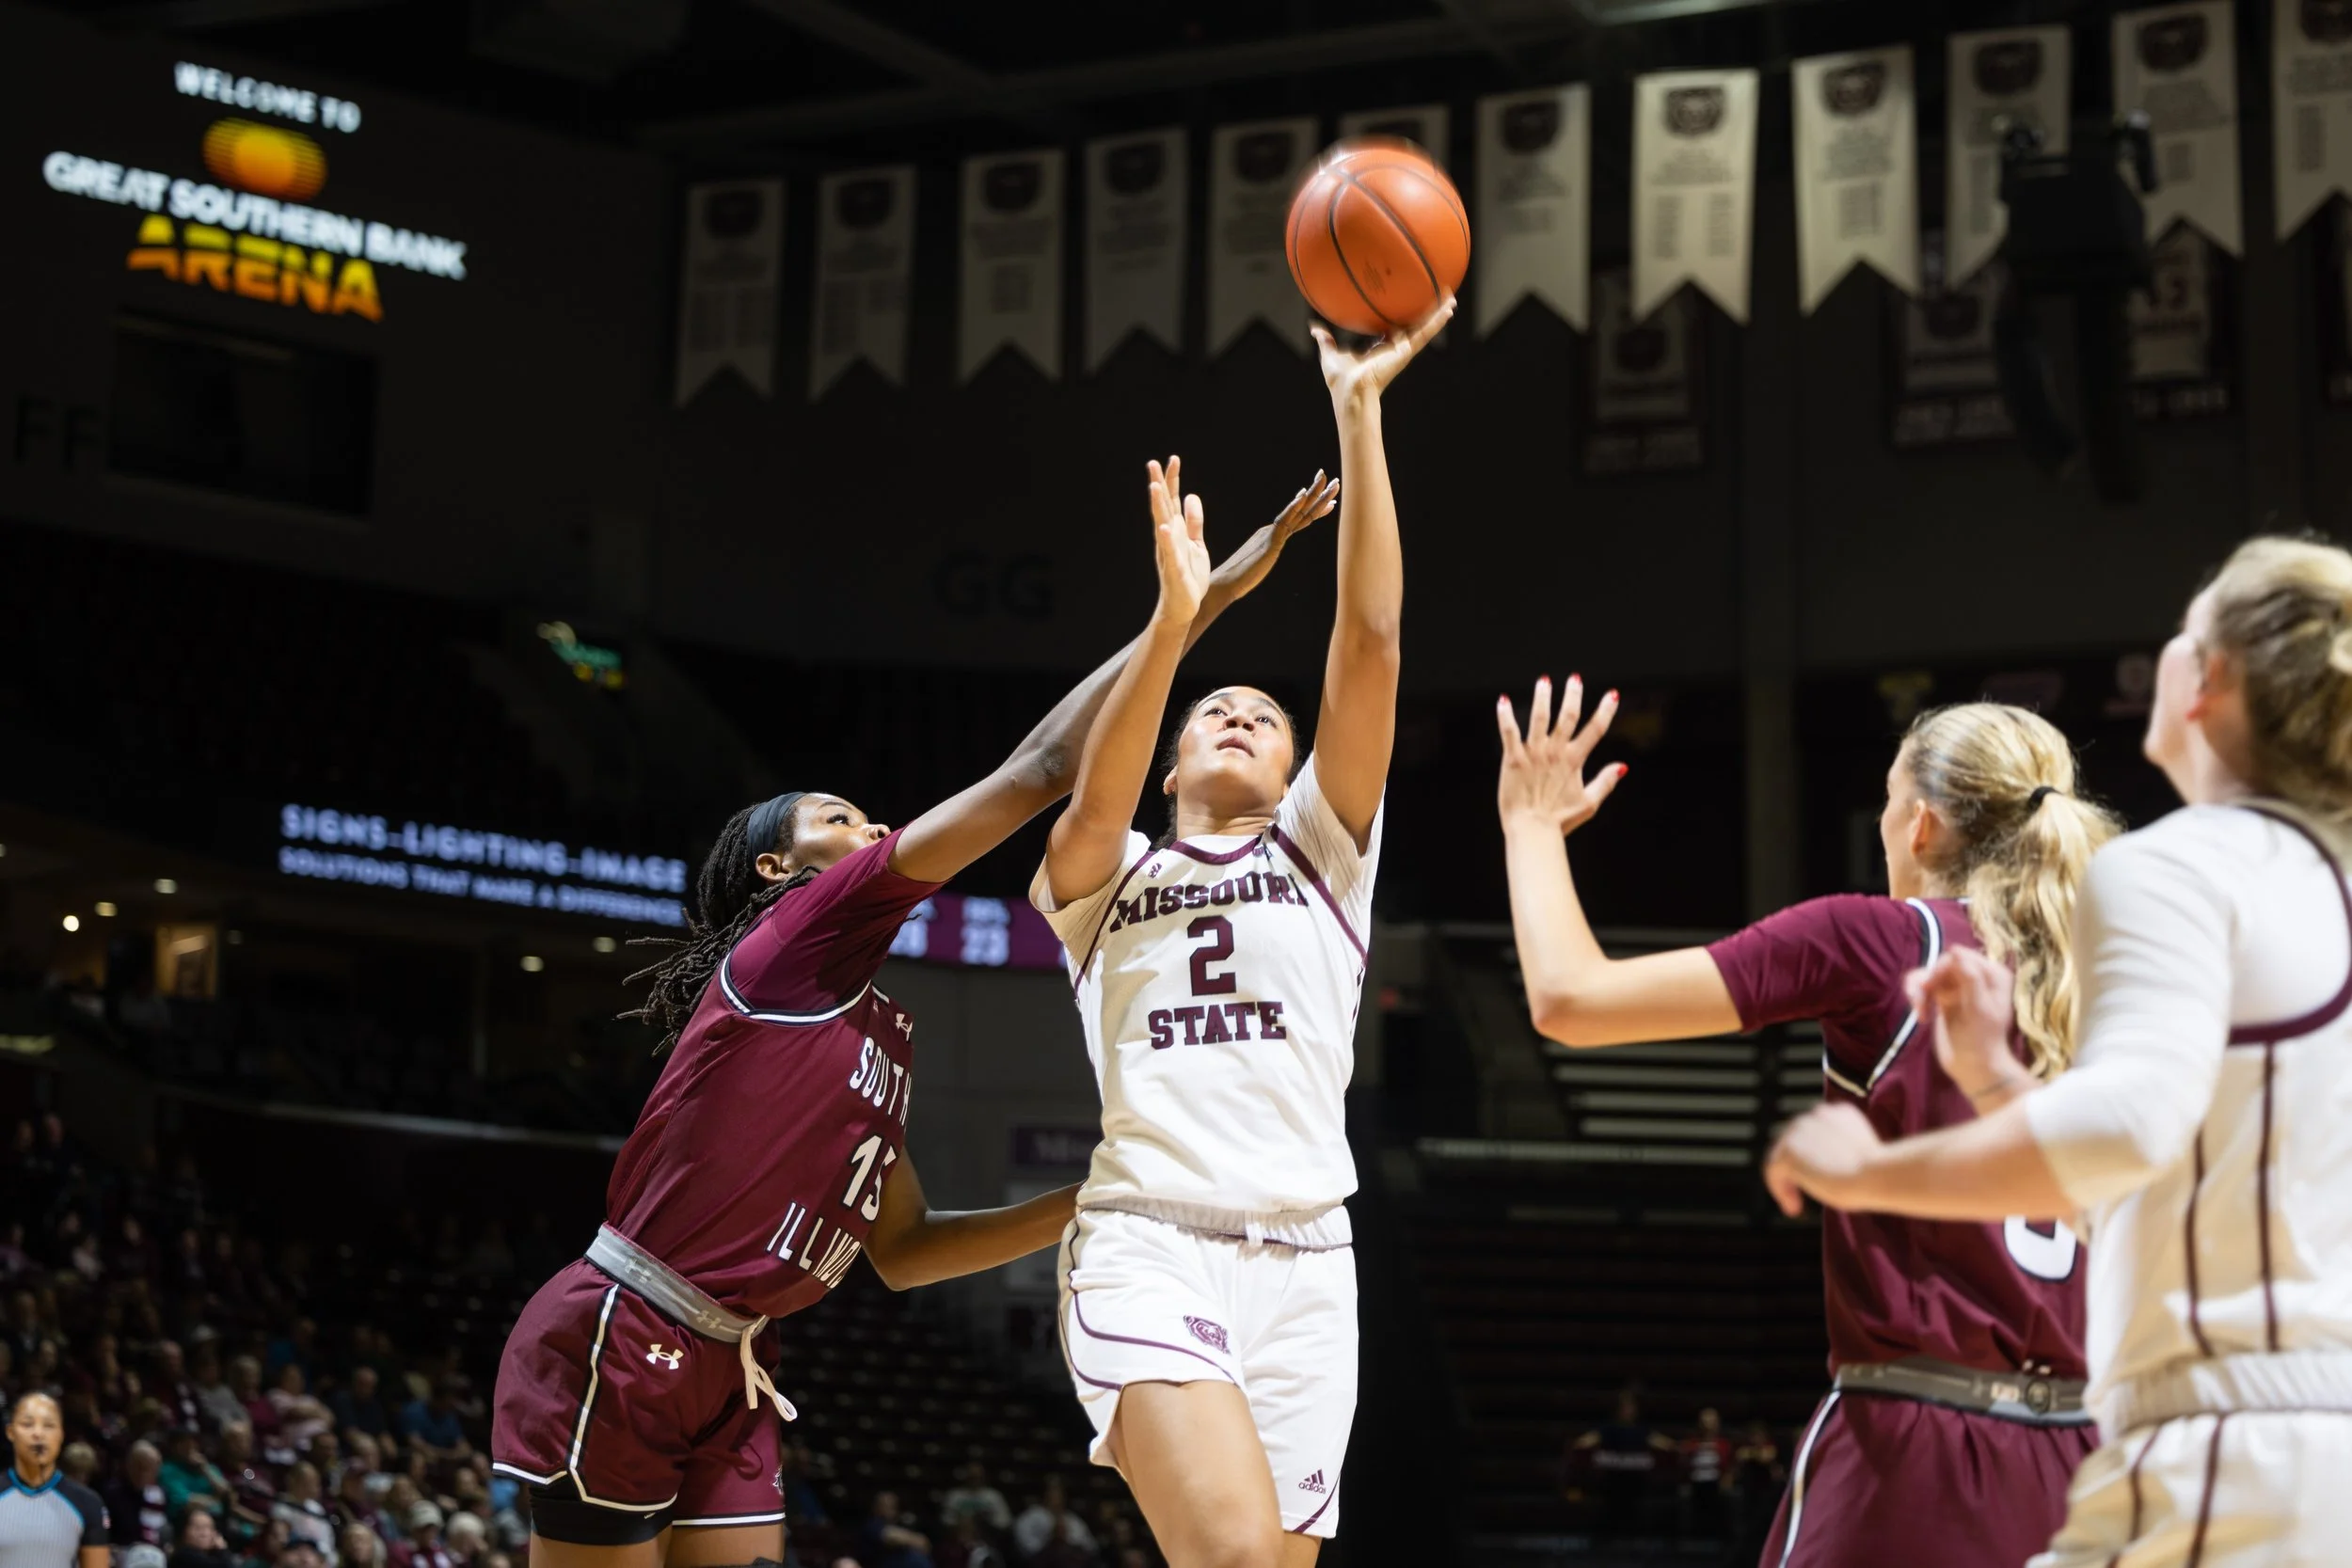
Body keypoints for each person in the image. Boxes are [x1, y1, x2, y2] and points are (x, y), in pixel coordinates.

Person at [489, 483, 1327, 1568]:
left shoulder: (873, 1024)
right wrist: (1194, 603)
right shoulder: (794, 937)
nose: (873, 824)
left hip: (738, 1354)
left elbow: (906, 1252)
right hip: (629, 1322)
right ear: (778, 869)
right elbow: (1037, 772)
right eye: (837, 819)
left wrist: (1102, 1200)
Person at [1767, 537, 2352, 1565]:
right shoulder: (2323, 878)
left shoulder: (2175, 863)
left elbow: (2121, 1129)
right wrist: (1995, 1078)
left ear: (2206, 683)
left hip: (2229, 1432)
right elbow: (2151, 1179)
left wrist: (1869, 1169)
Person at [1494, 677, 2122, 1567]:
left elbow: (1570, 999)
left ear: (1921, 826)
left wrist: (1529, 826)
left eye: (1889, 801)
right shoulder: (2123, 981)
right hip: (2090, 1461)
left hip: (1916, 1444)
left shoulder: (1884, 942)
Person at [1033, 300, 1448, 1564]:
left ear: (1293, 770)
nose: (1236, 716)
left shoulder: (1324, 856)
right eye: (1211, 709)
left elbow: (1368, 641)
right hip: (1151, 1236)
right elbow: (1087, 786)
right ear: (1167, 767)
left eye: (1264, 716)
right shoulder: (1103, 876)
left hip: (1312, 1260)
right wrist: (1175, 620)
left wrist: (1360, 412)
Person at [2, 1393, 110, 1568]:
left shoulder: (88, 1504)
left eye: (49, 1426)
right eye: (27, 1424)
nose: (38, 1434)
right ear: (10, 1432)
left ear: (61, 1434)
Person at [1009, 1478, 1093, 1564]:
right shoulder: (1031, 1516)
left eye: (1059, 1495)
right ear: (1045, 1495)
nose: (1056, 1498)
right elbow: (1026, 1546)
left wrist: (1066, 1543)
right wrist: (1051, 1541)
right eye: (1052, 1494)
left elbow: (1089, 1546)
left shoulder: (1073, 1520)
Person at [106, 1439, 171, 1548]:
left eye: (148, 1469)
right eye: (138, 1467)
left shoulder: (160, 1494)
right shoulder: (113, 1493)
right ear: (129, 1465)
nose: (142, 1473)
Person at [852, 1493, 929, 1568]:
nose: (891, 1511)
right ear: (876, 1508)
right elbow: (890, 1536)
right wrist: (914, 1539)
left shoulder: (897, 1524)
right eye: (885, 1506)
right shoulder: (872, 1525)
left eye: (893, 1507)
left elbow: (924, 1543)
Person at [936, 1464, 1008, 1536]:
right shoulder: (954, 1495)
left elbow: (1004, 1522)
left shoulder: (994, 1496)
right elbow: (946, 1521)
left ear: (983, 1477)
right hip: (959, 1536)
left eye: (977, 1477)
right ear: (966, 1476)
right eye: (972, 1477)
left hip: (988, 1536)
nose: (975, 1480)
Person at [170, 1510, 237, 1568]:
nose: (204, 1534)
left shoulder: (213, 1556)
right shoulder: (184, 1555)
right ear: (184, 1531)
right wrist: (222, 1550)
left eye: (209, 1528)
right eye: (198, 1528)